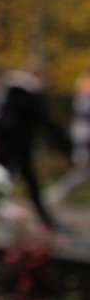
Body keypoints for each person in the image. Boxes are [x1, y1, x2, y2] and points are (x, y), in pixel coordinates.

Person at [0, 63, 71, 231]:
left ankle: (45, 219)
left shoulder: (12, 92)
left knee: (11, 182)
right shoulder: (30, 96)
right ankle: (44, 220)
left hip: (8, 147)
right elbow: (45, 123)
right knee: (8, 183)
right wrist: (66, 145)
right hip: (19, 148)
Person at [46, 72, 90, 213]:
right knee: (81, 174)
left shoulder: (82, 101)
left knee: (81, 174)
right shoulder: (85, 102)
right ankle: (54, 196)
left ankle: (54, 196)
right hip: (85, 143)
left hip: (83, 142)